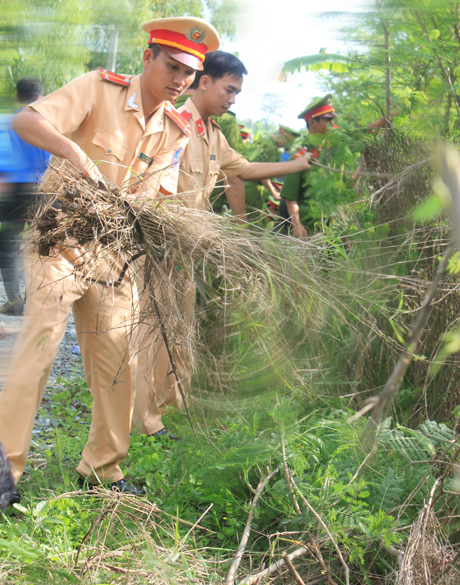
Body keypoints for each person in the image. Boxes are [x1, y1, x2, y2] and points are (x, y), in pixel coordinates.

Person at [0, 16, 220, 504]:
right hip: (57, 239)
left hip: (114, 256)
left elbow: (155, 196)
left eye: (189, 72)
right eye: (172, 65)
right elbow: (26, 120)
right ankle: (7, 470)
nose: (180, 79)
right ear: (148, 58)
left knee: (120, 360)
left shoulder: (176, 128)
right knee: (40, 345)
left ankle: (102, 469)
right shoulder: (99, 89)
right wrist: (74, 152)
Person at [132, 50, 312, 438]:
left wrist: (296, 166)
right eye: (229, 89)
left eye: (238, 93)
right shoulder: (173, 123)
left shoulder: (213, 133)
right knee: (153, 329)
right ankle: (145, 418)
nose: (232, 99)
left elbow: (242, 171)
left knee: (179, 324)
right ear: (204, 81)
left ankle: (170, 404)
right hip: (159, 246)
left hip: (186, 250)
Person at [0, 78, 51, 316]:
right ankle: (41, 302)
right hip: (44, 192)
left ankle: (14, 302)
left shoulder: (6, 123)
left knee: (8, 249)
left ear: (16, 96)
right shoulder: (47, 124)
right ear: (41, 98)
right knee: (46, 249)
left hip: (14, 191)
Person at [278, 94, 338, 240]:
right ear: (312, 123)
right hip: (309, 230)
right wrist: (297, 224)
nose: (332, 124)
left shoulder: (330, 150)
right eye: (328, 120)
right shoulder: (300, 156)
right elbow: (290, 197)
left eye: (332, 120)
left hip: (330, 227)